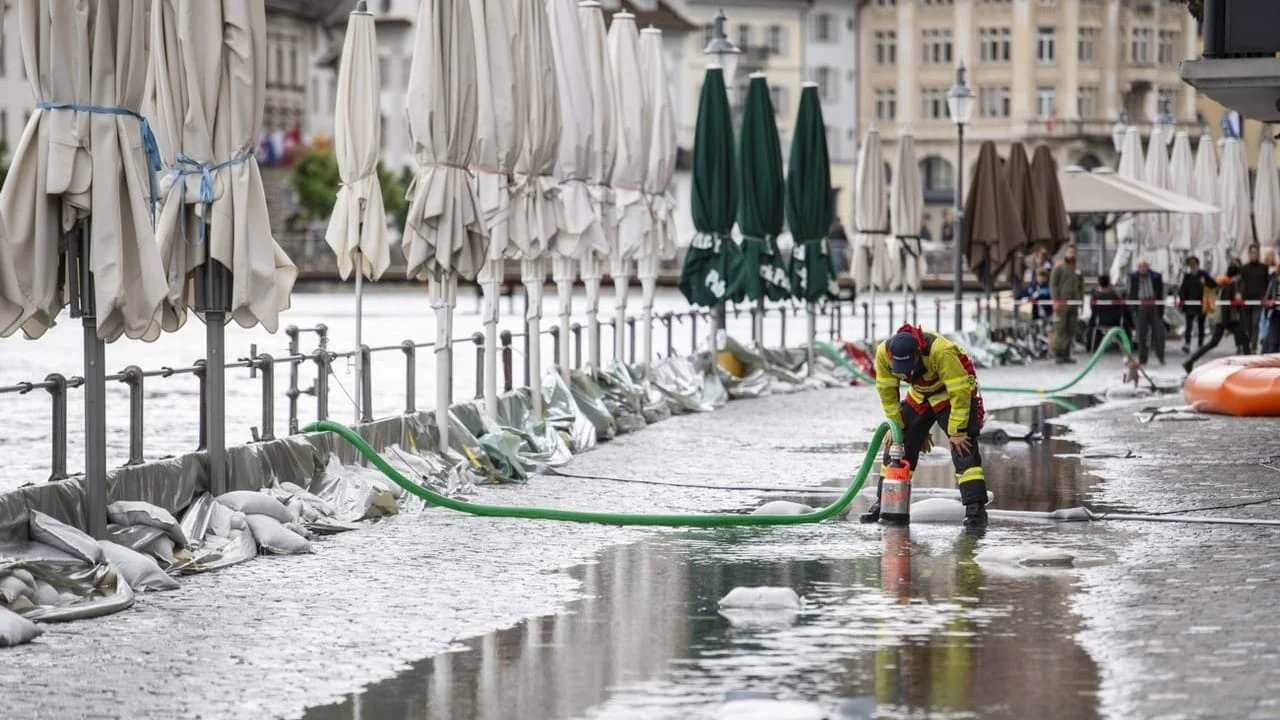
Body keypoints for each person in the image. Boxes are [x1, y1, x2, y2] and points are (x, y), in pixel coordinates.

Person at [862, 325, 989, 528]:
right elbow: (887, 392)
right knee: (897, 444)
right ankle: (884, 502)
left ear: (918, 353)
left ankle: (975, 509)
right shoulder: (883, 354)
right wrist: (897, 426)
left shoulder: (941, 351)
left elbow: (960, 392)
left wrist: (956, 431)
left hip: (950, 393)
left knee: (962, 446)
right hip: (920, 393)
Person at [1183, 264, 1248, 374]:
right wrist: (1226, 325)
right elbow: (1225, 306)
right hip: (1227, 319)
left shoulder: (1226, 285)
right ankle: (1249, 364)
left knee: (1214, 343)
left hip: (1224, 319)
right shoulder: (1229, 287)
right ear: (1236, 276)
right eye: (1239, 276)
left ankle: (1190, 361)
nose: (1240, 278)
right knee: (1244, 338)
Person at [1050, 243, 1083, 364]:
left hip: (1074, 303)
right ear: (1065, 252)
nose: (1072, 254)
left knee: (1071, 329)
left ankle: (1067, 354)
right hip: (1062, 303)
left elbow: (1081, 286)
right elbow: (1053, 284)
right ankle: (1058, 353)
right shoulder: (1059, 266)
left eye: (1074, 252)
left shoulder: (1077, 268)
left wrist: (1081, 301)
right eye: (1069, 252)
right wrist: (1055, 300)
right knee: (1061, 328)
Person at [1128, 258, 1165, 365]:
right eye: (1140, 267)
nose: (1142, 269)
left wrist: (1160, 307)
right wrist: (1133, 308)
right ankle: (1142, 358)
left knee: (1158, 332)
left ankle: (1160, 356)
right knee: (1141, 333)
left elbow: (1160, 293)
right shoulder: (1133, 277)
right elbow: (1131, 293)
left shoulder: (1156, 276)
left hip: (1153, 303)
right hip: (1141, 304)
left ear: (1148, 267)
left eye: (1144, 266)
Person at [1178, 255, 1216, 353]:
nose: (1192, 266)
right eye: (1190, 264)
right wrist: (1182, 302)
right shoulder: (1187, 276)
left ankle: (1200, 344)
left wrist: (1207, 289)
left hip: (1201, 304)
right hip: (1190, 304)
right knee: (1189, 326)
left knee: (1201, 325)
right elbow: (1182, 290)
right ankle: (1187, 344)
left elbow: (1213, 284)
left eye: (1194, 264)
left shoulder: (1203, 274)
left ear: (1197, 264)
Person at [1088, 275, 1130, 350]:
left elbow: (1093, 310)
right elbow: (1122, 309)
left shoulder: (1096, 297)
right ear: (1109, 283)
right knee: (1126, 323)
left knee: (1092, 324)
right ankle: (1128, 346)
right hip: (1115, 322)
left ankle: (1091, 346)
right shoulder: (1115, 296)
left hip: (1100, 322)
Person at [1241, 244, 1269, 353]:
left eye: (1255, 252)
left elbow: (1267, 283)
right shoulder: (1244, 268)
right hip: (1247, 299)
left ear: (1258, 254)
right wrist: (1239, 293)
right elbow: (1239, 282)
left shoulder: (1264, 268)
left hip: (1259, 299)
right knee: (1248, 325)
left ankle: (1253, 347)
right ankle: (1249, 343)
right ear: (1249, 254)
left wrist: (1266, 296)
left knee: (1255, 323)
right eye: (1252, 252)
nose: (1254, 254)